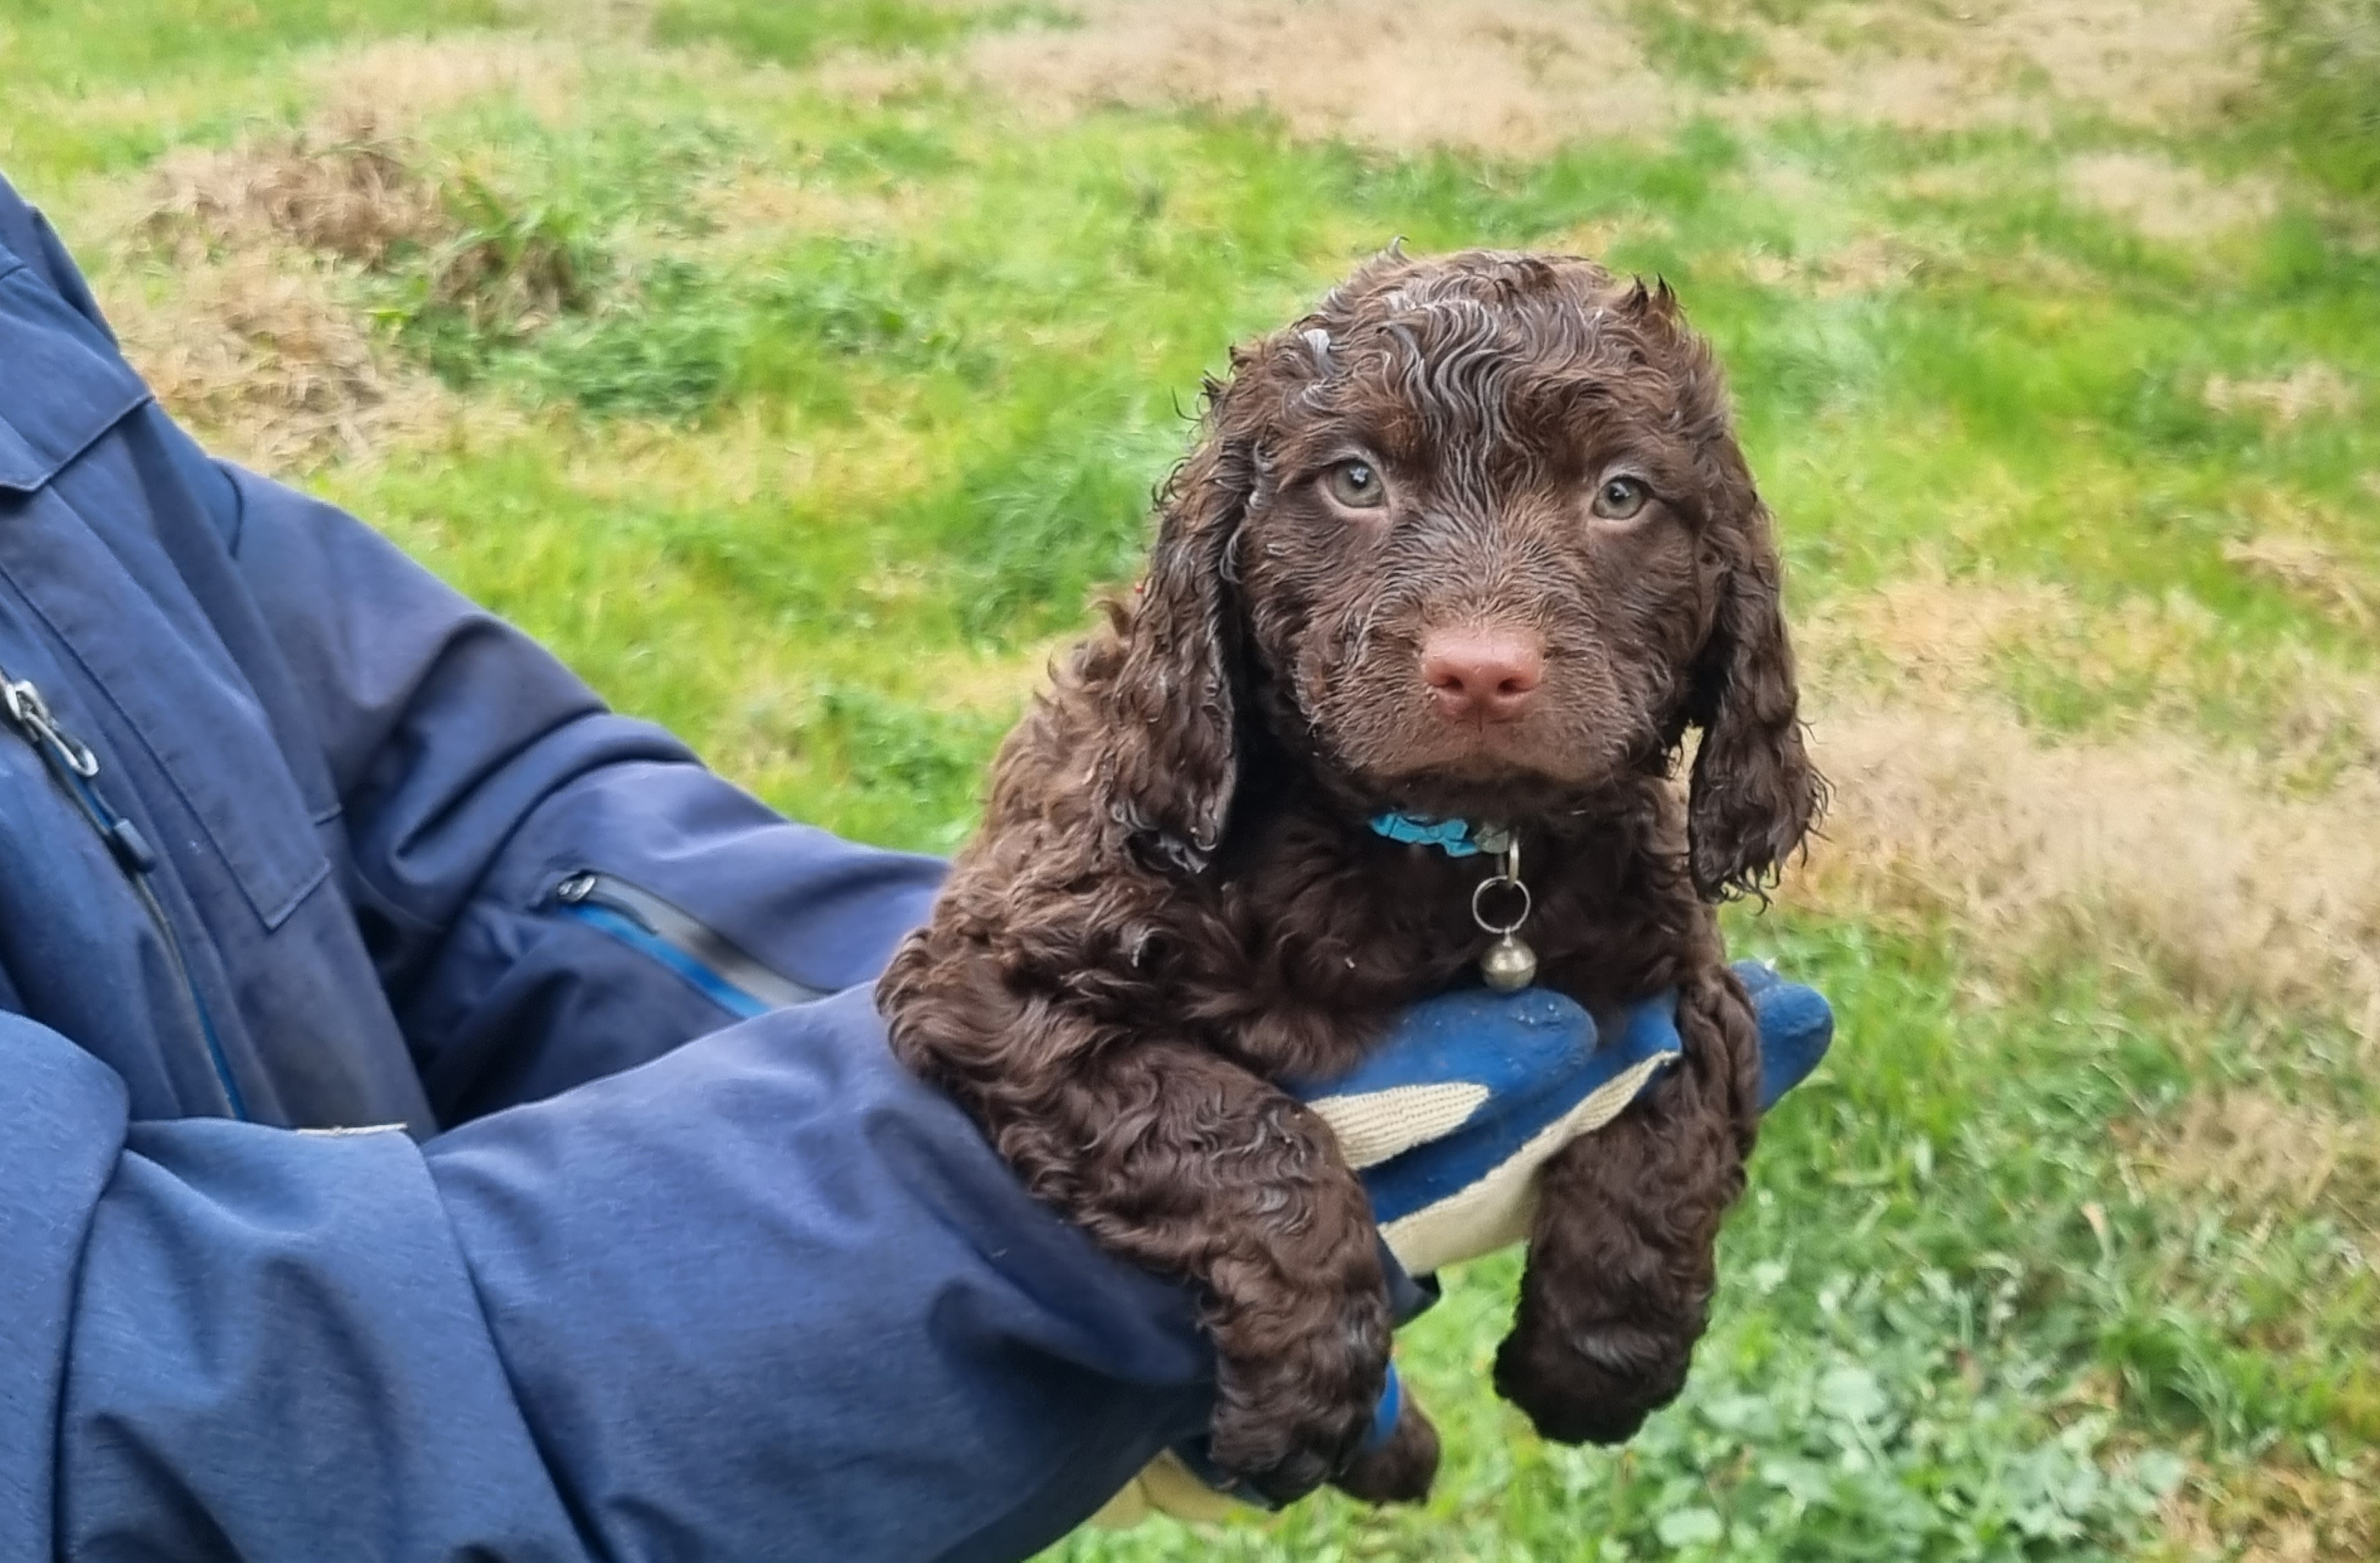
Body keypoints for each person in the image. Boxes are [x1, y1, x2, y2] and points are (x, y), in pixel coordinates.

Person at [0, 169, 1833, 1562]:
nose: (1487, 637)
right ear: (1217, 580)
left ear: (1726, 612)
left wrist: (1624, 1278)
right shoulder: (1165, 808)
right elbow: (998, 997)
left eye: (1616, 498)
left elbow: (439, 789)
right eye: (1356, 483)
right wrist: (1204, 1248)